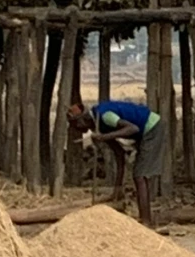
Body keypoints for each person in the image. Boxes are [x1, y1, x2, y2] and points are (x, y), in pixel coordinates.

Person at [67, 95, 166, 227]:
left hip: (151, 127)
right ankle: (144, 218)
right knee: (139, 175)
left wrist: (104, 137)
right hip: (143, 130)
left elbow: (133, 128)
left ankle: (146, 221)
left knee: (140, 175)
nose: (76, 129)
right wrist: (117, 188)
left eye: (75, 124)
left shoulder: (104, 116)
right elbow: (119, 154)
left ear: (82, 120)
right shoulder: (99, 127)